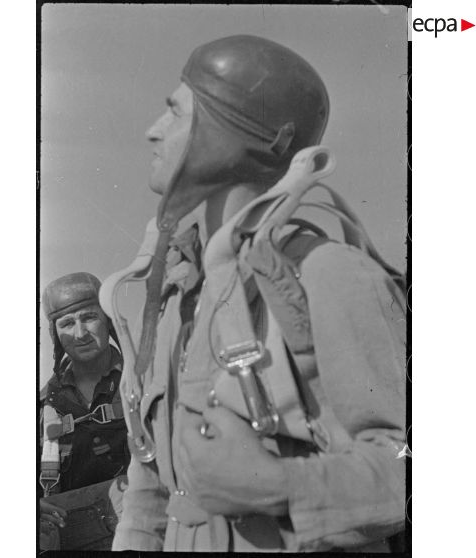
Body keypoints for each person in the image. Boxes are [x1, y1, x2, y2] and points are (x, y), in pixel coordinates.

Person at [111, 35, 406, 552]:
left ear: (232, 133)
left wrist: (278, 485)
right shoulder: (180, 295)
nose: (152, 130)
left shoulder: (328, 273)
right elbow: (151, 484)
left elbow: (406, 463)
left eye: (175, 113)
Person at [39, 272, 130, 550]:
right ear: (56, 334)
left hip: (144, 530)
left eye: (89, 317)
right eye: (67, 323)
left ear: (107, 320)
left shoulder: (144, 382)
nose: (80, 334)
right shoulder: (43, 406)